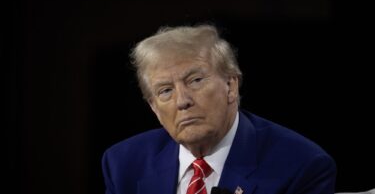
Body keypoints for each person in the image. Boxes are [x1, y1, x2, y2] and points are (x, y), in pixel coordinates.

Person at [101, 24, 336, 194]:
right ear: (153, 107)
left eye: (195, 81)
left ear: (230, 85)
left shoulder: (301, 165)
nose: (182, 101)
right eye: (165, 91)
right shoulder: (124, 164)